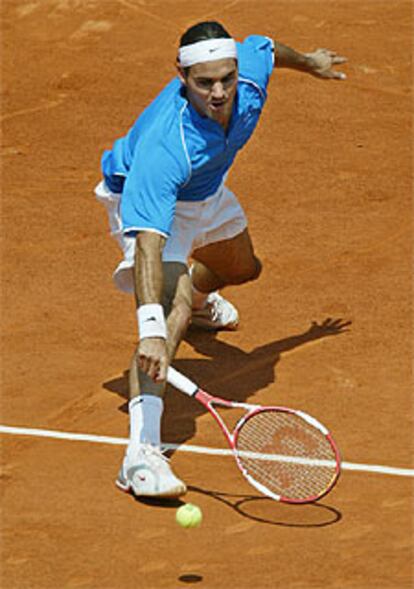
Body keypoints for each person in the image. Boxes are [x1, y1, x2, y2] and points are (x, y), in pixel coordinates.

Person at [94, 21, 347, 500]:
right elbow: (149, 243)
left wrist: (311, 62)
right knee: (172, 312)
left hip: (207, 191)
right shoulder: (164, 150)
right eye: (204, 82)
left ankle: (200, 297)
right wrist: (151, 327)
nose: (218, 91)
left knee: (243, 269)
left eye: (225, 78)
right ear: (182, 77)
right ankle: (140, 457)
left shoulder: (248, 74)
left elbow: (267, 50)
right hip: (150, 203)